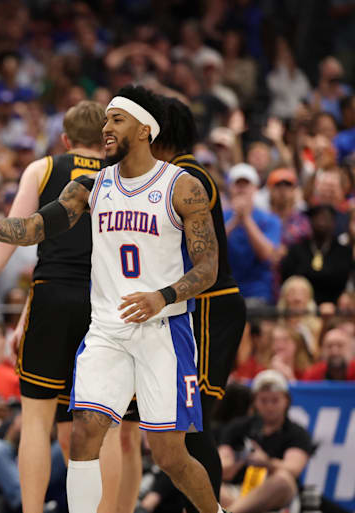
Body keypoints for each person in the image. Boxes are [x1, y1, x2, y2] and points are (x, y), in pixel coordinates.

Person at [0, 85, 225, 513]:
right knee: (85, 432)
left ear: (145, 129)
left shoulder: (182, 187)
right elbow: (35, 227)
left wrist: (162, 296)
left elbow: (208, 268)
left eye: (116, 120)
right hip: (105, 331)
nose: (106, 128)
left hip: (162, 329)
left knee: (170, 456)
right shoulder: (89, 186)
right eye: (106, 120)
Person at [0, 100, 140, 513]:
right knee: (106, 426)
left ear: (65, 139)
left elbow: (10, 240)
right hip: (108, 302)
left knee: (35, 421)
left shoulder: (45, 168)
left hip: (52, 294)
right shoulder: (125, 176)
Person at [151, 95, 247, 512]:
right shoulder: (174, 175)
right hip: (196, 308)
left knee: (195, 421)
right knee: (183, 426)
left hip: (211, 306)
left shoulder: (189, 177)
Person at [218, 370, 313, 513]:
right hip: (235, 491)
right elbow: (220, 467)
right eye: (263, 400)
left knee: (284, 480)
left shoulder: (297, 433)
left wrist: (266, 462)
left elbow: (293, 469)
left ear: (286, 400)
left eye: (275, 400)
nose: (269, 406)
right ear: (255, 401)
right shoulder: (237, 427)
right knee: (205, 483)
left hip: (271, 494)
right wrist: (241, 460)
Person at [223, 163, 281, 306]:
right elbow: (211, 252)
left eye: (246, 185)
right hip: (226, 292)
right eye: (237, 184)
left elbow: (267, 255)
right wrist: (235, 220)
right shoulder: (220, 218)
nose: (241, 189)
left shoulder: (270, 220)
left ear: (255, 188)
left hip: (258, 292)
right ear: (230, 188)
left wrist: (246, 219)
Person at [280, 203, 353, 306]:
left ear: (334, 223)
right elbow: (288, 278)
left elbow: (342, 280)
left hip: (334, 307)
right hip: (300, 306)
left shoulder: (344, 252)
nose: (322, 222)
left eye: (326, 218)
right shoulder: (297, 249)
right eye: (318, 217)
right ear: (310, 221)